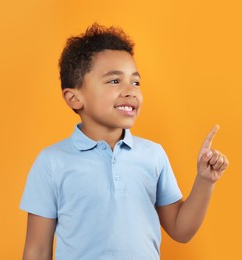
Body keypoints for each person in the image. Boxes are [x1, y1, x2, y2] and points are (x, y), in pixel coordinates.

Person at [20, 23, 229, 260]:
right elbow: (37, 250)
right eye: (114, 81)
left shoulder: (153, 155)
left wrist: (204, 180)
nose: (131, 91)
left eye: (136, 82)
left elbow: (181, 230)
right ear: (74, 98)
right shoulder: (52, 162)